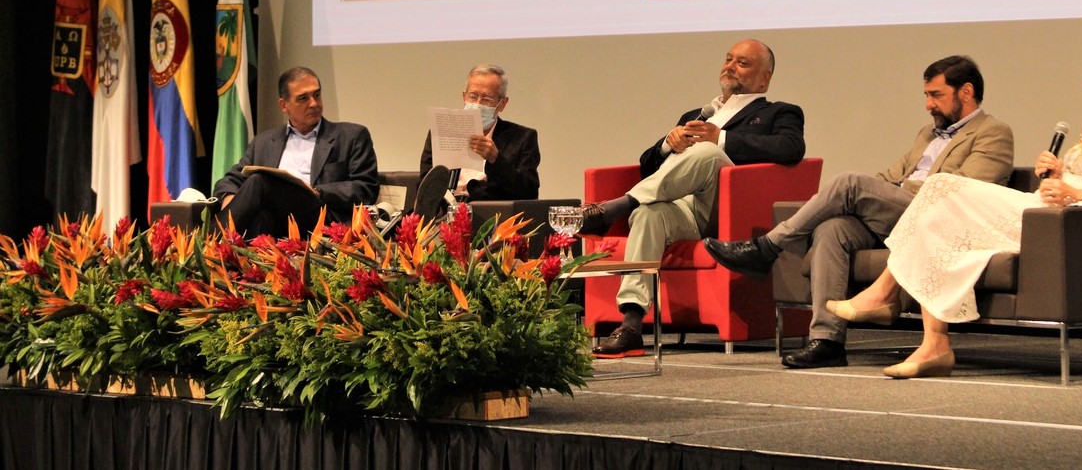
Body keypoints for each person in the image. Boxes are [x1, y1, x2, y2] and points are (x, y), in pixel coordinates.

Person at [829, 38, 1082, 379]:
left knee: (941, 186)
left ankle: (885, 293)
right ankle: (934, 345)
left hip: (1067, 224)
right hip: (1048, 211)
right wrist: (1060, 174)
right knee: (939, 211)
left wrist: (1076, 191)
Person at [704, 55, 1015, 369]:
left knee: (849, 182)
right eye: (926, 95)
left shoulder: (993, 132)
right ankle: (827, 341)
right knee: (832, 229)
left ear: (966, 92)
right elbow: (888, 177)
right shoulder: (927, 135)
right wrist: (877, 194)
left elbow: (964, 191)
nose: (928, 105)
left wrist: (889, 191)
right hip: (902, 216)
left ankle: (767, 247)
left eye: (936, 95)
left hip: (940, 219)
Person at [581, 38, 806, 358]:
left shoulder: (779, 113)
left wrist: (721, 139)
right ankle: (631, 325)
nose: (730, 67)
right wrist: (667, 144)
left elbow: (790, 148)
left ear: (764, 78)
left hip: (726, 209)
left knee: (707, 152)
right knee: (647, 214)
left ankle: (613, 210)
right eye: (728, 59)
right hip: (682, 210)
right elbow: (647, 166)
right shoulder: (696, 114)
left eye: (742, 63)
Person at [214, 66, 380, 237]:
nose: (314, 103)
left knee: (259, 180)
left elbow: (366, 188)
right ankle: (226, 249)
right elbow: (230, 180)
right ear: (284, 105)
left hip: (319, 216)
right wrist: (229, 197)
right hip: (278, 221)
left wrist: (317, 191)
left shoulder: (351, 136)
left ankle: (210, 240)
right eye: (303, 98)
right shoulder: (264, 142)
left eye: (317, 95)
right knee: (261, 217)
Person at [419, 64, 540, 207]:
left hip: (490, 212)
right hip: (444, 211)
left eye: (486, 99)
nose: (477, 104)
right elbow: (424, 186)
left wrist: (496, 159)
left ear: (502, 104)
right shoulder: (442, 132)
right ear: (464, 97)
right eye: (473, 96)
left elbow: (529, 192)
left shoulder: (523, 138)